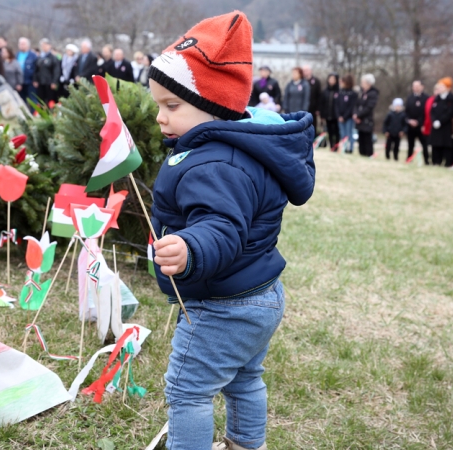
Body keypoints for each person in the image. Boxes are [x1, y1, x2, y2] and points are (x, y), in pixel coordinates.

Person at [147, 12, 314, 450]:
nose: (160, 118)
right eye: (158, 105)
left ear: (213, 106)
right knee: (243, 378)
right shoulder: (238, 145)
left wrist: (188, 246)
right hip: (260, 295)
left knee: (188, 391)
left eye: (172, 106)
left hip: (224, 304)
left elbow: (222, 226)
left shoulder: (217, 163)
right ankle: (246, 443)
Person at [428, 77, 453, 166]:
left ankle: (448, 163)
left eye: (441, 86)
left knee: (446, 144)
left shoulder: (451, 98)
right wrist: (434, 120)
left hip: (446, 126)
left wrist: (441, 121)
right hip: (436, 125)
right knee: (436, 144)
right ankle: (436, 161)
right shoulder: (437, 98)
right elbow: (432, 110)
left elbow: (450, 112)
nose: (439, 88)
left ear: (447, 88)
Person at [404, 81, 430, 164]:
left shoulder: (426, 98)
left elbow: (426, 112)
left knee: (424, 144)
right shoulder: (409, 97)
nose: (415, 88)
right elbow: (406, 111)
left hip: (421, 125)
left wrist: (419, 122)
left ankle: (426, 160)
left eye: (417, 86)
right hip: (410, 126)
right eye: (414, 86)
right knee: (410, 144)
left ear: (422, 87)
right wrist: (409, 120)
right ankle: (409, 159)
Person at [353, 73, 379, 157]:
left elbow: (369, 107)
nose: (361, 84)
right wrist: (355, 114)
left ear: (368, 83)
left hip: (367, 120)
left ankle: (369, 154)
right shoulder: (361, 92)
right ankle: (361, 154)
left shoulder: (373, 93)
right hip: (359, 120)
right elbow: (356, 104)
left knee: (367, 138)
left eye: (363, 82)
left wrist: (359, 115)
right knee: (360, 138)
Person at [34, 38, 61, 106]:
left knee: (50, 100)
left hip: (49, 83)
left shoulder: (53, 58)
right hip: (41, 82)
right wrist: (35, 80)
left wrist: (54, 82)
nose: (44, 46)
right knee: (41, 100)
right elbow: (36, 69)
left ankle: (51, 114)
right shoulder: (39, 57)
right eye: (42, 45)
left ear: (49, 46)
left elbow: (56, 71)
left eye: (45, 45)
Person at [336, 74, 358, 153]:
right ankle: (343, 148)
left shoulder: (353, 94)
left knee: (349, 133)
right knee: (343, 134)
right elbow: (337, 105)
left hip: (349, 118)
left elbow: (351, 107)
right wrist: (338, 116)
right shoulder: (340, 93)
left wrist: (345, 117)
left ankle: (350, 149)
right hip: (340, 118)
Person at [319, 73, 340, 149]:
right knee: (330, 131)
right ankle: (331, 146)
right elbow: (321, 103)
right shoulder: (325, 91)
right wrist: (322, 114)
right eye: (330, 79)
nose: (331, 81)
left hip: (336, 115)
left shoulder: (339, 91)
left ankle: (337, 146)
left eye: (333, 79)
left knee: (336, 132)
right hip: (327, 115)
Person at [17, 37, 38, 109]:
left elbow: (36, 69)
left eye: (23, 44)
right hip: (20, 82)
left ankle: (34, 113)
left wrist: (35, 80)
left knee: (32, 98)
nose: (21, 45)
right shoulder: (16, 55)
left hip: (30, 81)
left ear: (28, 45)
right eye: (20, 44)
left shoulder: (33, 55)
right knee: (21, 99)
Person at [302, 65, 321, 133]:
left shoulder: (316, 81)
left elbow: (319, 96)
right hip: (303, 108)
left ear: (310, 71)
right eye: (303, 71)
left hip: (313, 108)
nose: (305, 72)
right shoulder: (301, 82)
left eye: (306, 70)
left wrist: (318, 108)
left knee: (313, 125)